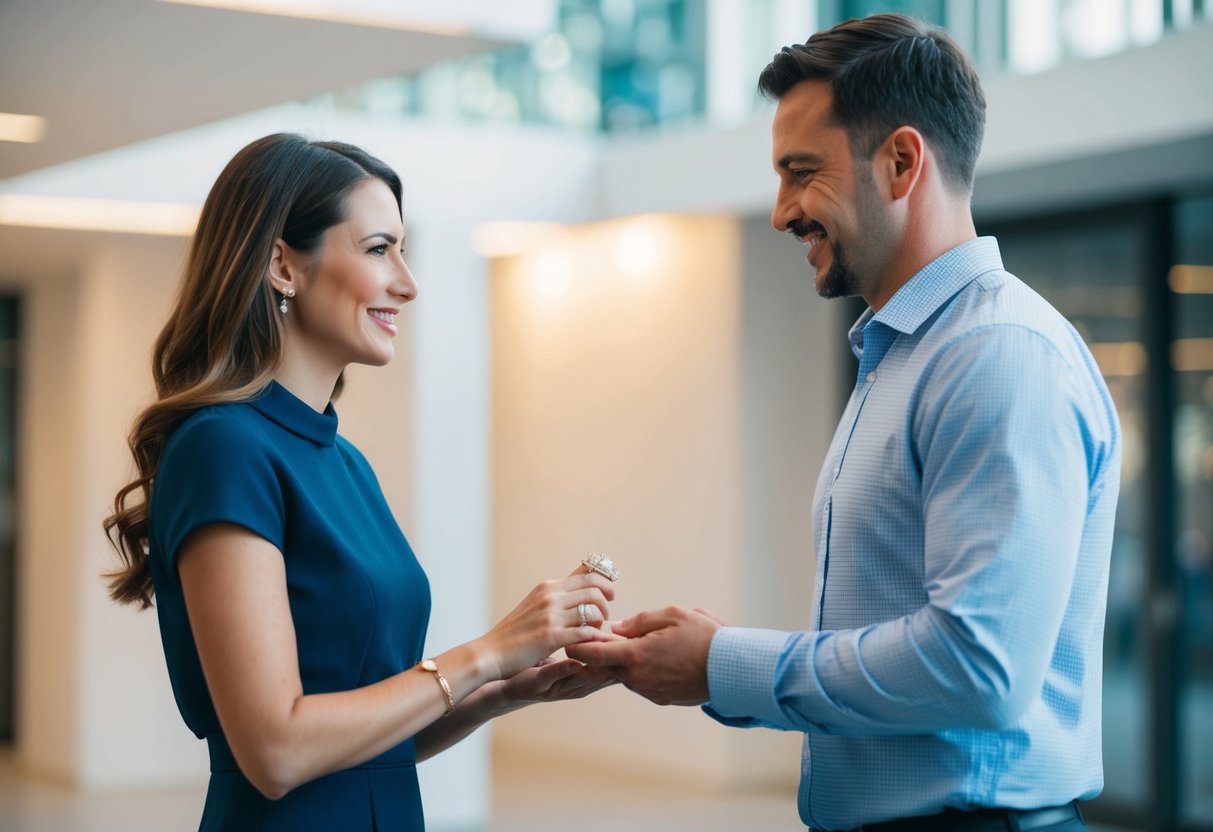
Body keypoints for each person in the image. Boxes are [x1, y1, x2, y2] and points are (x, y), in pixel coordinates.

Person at [569, 13, 1121, 832]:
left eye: (800, 173)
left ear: (901, 161)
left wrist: (725, 665)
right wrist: (717, 657)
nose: (780, 210)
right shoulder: (903, 352)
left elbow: (979, 667)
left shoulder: (994, 354)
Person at [103, 133, 617, 831]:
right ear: (282, 265)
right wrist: (487, 652)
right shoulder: (223, 448)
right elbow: (276, 751)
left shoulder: (346, 463)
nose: (407, 282)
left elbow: (374, 745)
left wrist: (503, 689)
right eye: (379, 249)